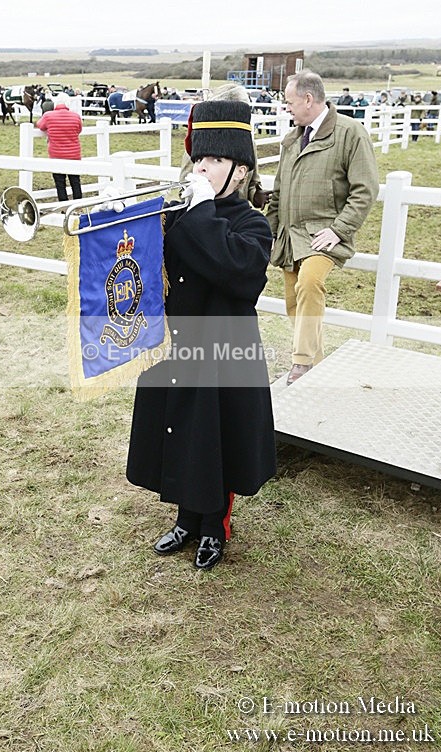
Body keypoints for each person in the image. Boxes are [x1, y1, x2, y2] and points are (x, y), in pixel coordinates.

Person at [127, 99, 277, 571]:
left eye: (214, 160)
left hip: (225, 349)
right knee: (181, 431)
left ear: (240, 170)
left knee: (216, 438)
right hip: (179, 343)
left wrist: (203, 209)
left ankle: (215, 526)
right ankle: (185, 518)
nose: (202, 168)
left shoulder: (251, 223)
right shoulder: (182, 213)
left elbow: (238, 272)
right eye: (199, 158)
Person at [266, 71, 379, 385]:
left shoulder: (350, 133)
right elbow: (279, 193)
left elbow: (365, 189)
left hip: (323, 235)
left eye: (289, 102)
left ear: (308, 99)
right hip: (290, 235)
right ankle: (314, 367)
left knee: (309, 283)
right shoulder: (292, 139)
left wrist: (339, 229)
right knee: (293, 300)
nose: (286, 107)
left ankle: (301, 363)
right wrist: (269, 232)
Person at [179, 83, 270, 210]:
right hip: (207, 212)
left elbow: (251, 181)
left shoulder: (248, 142)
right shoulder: (200, 143)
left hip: (238, 213)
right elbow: (185, 184)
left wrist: (256, 195)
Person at [36, 93, 83, 203]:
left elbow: (40, 125)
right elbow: (79, 130)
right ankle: (78, 204)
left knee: (60, 182)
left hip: (56, 154)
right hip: (74, 155)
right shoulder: (76, 116)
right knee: (75, 181)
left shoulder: (48, 116)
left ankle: (64, 205)